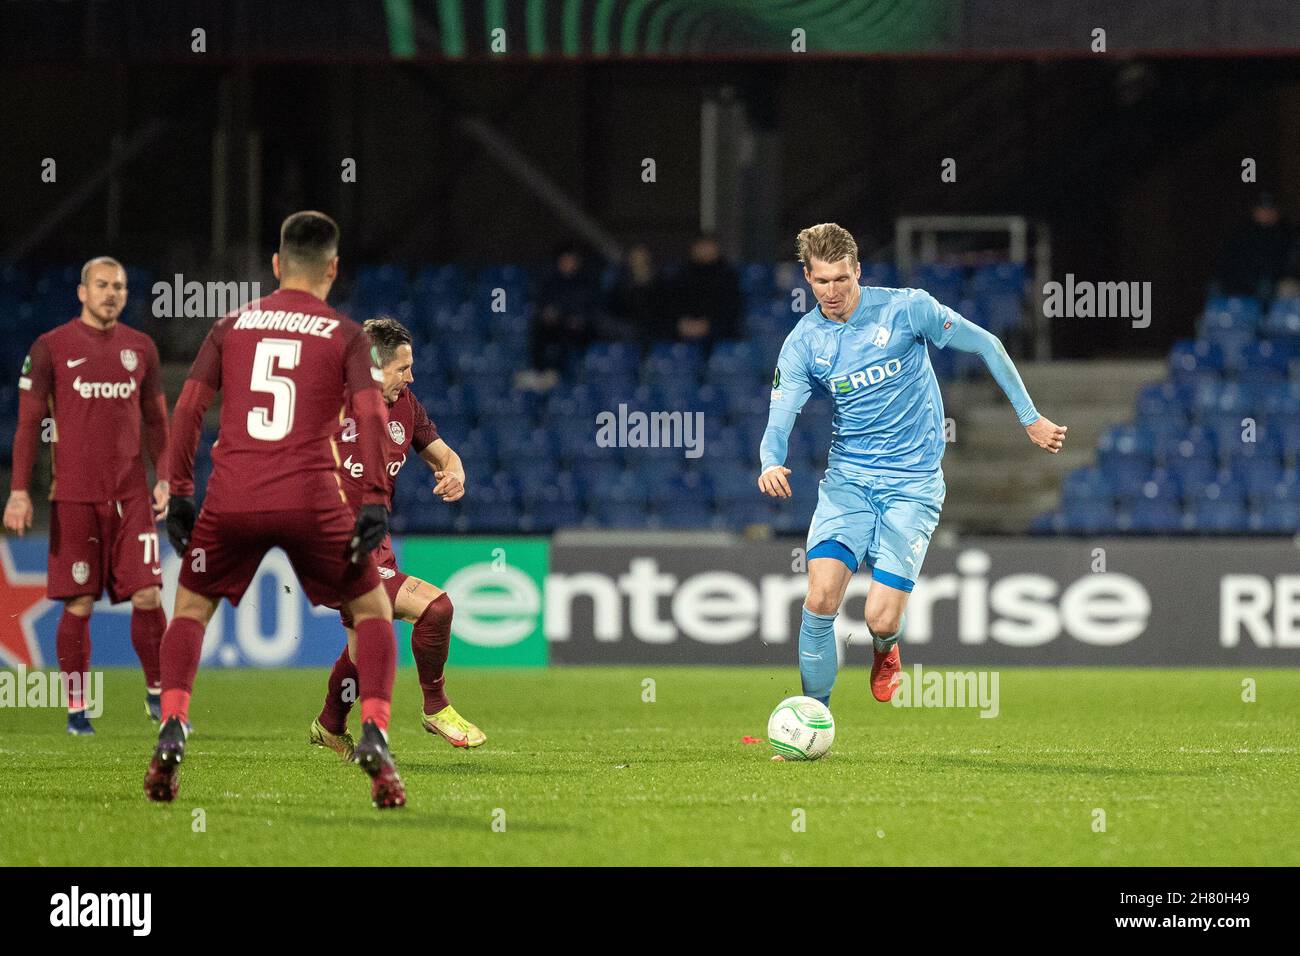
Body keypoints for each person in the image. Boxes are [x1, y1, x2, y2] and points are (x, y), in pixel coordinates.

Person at [147, 211, 406, 809]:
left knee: (189, 607)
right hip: (313, 500)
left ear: (274, 266)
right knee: (371, 610)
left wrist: (180, 488)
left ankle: (175, 723)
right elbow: (369, 417)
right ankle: (373, 732)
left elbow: (186, 408)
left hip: (233, 495)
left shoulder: (231, 326)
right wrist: (370, 501)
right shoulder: (345, 335)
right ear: (333, 269)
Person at [757, 223, 1066, 718]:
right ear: (807, 279)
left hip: (912, 485)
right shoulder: (804, 342)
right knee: (819, 599)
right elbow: (783, 411)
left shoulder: (908, 309)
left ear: (858, 270)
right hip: (848, 482)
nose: (832, 292)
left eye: (842, 279)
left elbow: (987, 344)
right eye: (821, 282)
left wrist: (1030, 419)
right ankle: (812, 719)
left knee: (879, 618)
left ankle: (886, 646)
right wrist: (771, 459)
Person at [4, 257, 170, 734]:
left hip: (131, 496)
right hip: (74, 498)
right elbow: (29, 424)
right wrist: (19, 491)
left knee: (148, 592)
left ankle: (157, 694)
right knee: (78, 603)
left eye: (119, 285)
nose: (112, 293)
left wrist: (165, 479)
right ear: (82, 292)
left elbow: (158, 421)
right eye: (102, 285)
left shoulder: (141, 348)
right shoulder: (51, 347)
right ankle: (77, 710)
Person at [310, 316, 485, 761]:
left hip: (373, 539)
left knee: (358, 652)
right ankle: (436, 706)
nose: (411, 377)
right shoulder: (327, 400)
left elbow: (442, 453)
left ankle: (330, 725)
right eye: (402, 368)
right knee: (435, 605)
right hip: (331, 543)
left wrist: (455, 472)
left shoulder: (405, 404)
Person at [529, 244, 597, 385]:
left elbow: (589, 308)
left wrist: (577, 317)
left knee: (571, 330)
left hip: (579, 329)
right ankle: (539, 372)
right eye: (565, 260)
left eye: (572, 260)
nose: (568, 264)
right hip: (555, 325)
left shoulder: (586, 281)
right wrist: (548, 313)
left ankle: (563, 375)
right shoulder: (550, 281)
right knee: (539, 326)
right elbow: (541, 304)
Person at [1214, 193, 1297, 298]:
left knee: (1280, 288)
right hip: (1244, 281)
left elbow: (1289, 265)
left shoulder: (1287, 234)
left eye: (1270, 209)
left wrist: (1272, 278)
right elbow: (1227, 261)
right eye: (1262, 209)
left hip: (1273, 282)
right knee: (1215, 288)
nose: (1266, 213)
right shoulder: (1242, 233)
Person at [669, 234, 741, 351]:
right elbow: (673, 305)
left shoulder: (727, 276)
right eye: (701, 246)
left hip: (718, 334)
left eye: (707, 245)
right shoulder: (681, 276)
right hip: (684, 333)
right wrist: (683, 324)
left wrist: (708, 325)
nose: (704, 250)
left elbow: (730, 310)